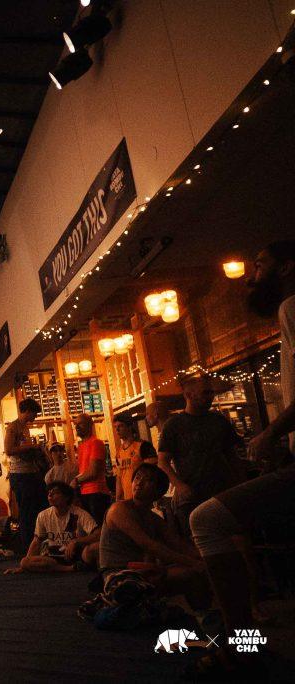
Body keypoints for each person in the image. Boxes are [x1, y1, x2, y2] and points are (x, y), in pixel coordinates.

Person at [187, 241, 295, 677]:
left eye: (260, 265)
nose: (251, 276)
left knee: (206, 521)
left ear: (286, 268)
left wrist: (270, 433)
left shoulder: (291, 307)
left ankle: (242, 649)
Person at [98, 464, 211, 609]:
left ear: (159, 491)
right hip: (118, 577)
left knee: (200, 569)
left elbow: (177, 543)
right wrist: (194, 563)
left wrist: (207, 557)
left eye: (148, 480)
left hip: (140, 570)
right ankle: (204, 615)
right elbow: (150, 545)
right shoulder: (119, 509)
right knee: (191, 573)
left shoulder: (152, 518)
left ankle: (204, 613)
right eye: (137, 477)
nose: (139, 482)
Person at [157, 374, 245, 536]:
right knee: (200, 539)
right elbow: (162, 462)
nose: (210, 396)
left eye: (211, 392)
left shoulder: (219, 421)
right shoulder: (174, 425)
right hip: (192, 495)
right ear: (188, 395)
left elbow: (232, 456)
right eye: (205, 392)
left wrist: (239, 483)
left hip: (222, 491)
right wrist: (180, 486)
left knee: (230, 536)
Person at [4, 482, 99, 574]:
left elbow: (98, 534)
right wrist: (24, 567)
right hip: (53, 558)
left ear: (66, 497)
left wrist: (76, 542)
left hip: (76, 554)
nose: (50, 495)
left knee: (94, 548)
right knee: (25, 562)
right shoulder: (43, 515)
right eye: (49, 492)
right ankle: (69, 568)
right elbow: (36, 541)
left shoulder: (80, 513)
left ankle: (65, 567)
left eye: (55, 493)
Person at [3, 398, 48, 554]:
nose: (35, 417)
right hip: (20, 475)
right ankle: (26, 547)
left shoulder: (24, 428)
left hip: (29, 473)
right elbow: (9, 450)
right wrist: (32, 446)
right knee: (26, 511)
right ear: (28, 411)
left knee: (36, 508)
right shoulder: (13, 427)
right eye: (34, 413)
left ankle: (34, 545)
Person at [70, 413, 112, 524]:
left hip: (97, 492)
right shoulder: (81, 445)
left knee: (98, 526)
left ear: (90, 425)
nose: (77, 427)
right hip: (85, 493)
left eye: (80, 424)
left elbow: (93, 471)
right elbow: (84, 470)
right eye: (75, 424)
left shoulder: (96, 443)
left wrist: (76, 481)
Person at [112, 415, 158, 502]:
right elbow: (119, 477)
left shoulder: (143, 446)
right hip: (128, 499)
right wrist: (118, 498)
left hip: (143, 497)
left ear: (129, 426)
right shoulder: (119, 452)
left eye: (120, 426)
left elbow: (153, 472)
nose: (117, 429)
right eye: (115, 427)